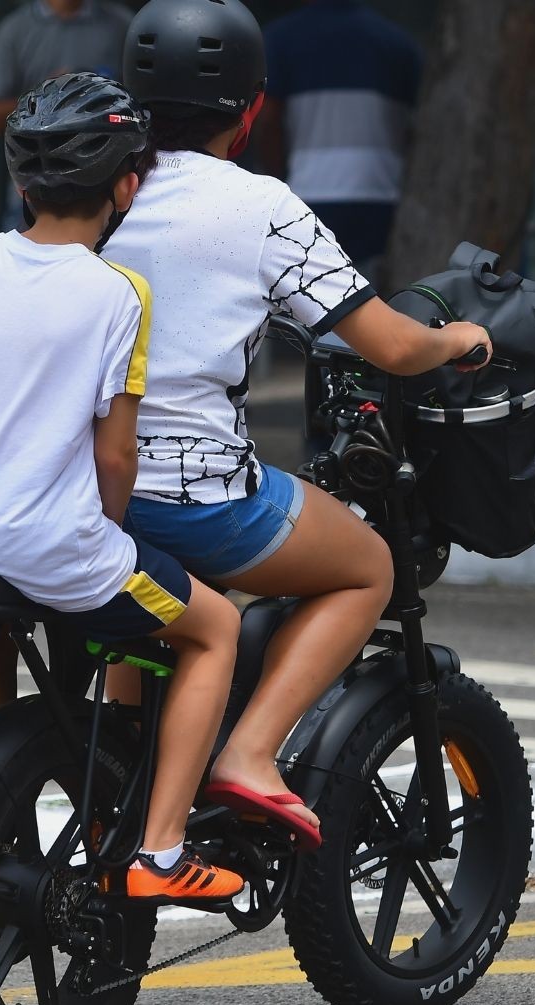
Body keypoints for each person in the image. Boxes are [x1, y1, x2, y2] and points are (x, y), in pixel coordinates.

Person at [101, 0, 491, 845]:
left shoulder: (93, 187)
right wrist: (456, 338)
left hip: (79, 489)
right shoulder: (261, 205)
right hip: (189, 492)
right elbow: (386, 342)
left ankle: (124, 763)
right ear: (251, 111)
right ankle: (249, 752)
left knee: (150, 606)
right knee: (367, 568)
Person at [0, 73, 243, 903]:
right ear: (126, 187)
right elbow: (115, 459)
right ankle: (159, 852)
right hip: (48, 547)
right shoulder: (116, 292)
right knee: (216, 629)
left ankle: (5, 814)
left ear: (23, 185)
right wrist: (114, 533)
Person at [252, 0, 422, 279]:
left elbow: (268, 120)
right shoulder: (397, 44)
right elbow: (415, 130)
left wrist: (276, 178)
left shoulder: (281, 39)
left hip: (305, 200)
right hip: (380, 202)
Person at [0, 0, 135, 230]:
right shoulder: (15, 28)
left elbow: (138, 105)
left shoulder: (121, 25)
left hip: (102, 182)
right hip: (37, 182)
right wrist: (47, 95)